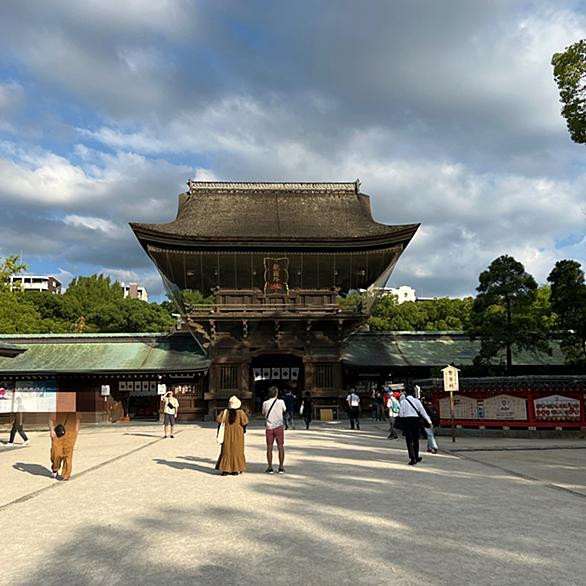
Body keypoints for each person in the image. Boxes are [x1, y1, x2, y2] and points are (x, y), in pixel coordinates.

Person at [215, 395, 249, 476]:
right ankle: (235, 469)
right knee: (237, 451)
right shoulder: (241, 413)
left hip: (227, 435)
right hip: (238, 436)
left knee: (226, 451)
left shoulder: (225, 412)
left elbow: (218, 419)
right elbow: (245, 422)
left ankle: (225, 469)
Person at [398, 388, 432, 465]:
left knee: (409, 440)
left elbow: (401, 414)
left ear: (406, 393)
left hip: (407, 420)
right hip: (416, 420)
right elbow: (423, 412)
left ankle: (412, 457)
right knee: (416, 439)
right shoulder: (417, 401)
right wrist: (429, 421)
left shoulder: (403, 402)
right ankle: (416, 456)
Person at [49, 411, 81, 480]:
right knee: (56, 453)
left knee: (68, 454)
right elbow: (51, 418)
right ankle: (55, 468)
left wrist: (76, 431)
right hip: (58, 432)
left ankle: (66, 474)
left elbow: (77, 418)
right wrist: (52, 430)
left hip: (71, 432)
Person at [262, 386, 287, 473]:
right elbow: (284, 410)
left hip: (269, 426)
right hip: (279, 426)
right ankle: (281, 466)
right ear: (276, 393)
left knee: (269, 447)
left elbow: (263, 412)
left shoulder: (265, 403)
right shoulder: (281, 402)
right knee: (280, 446)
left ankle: (270, 467)